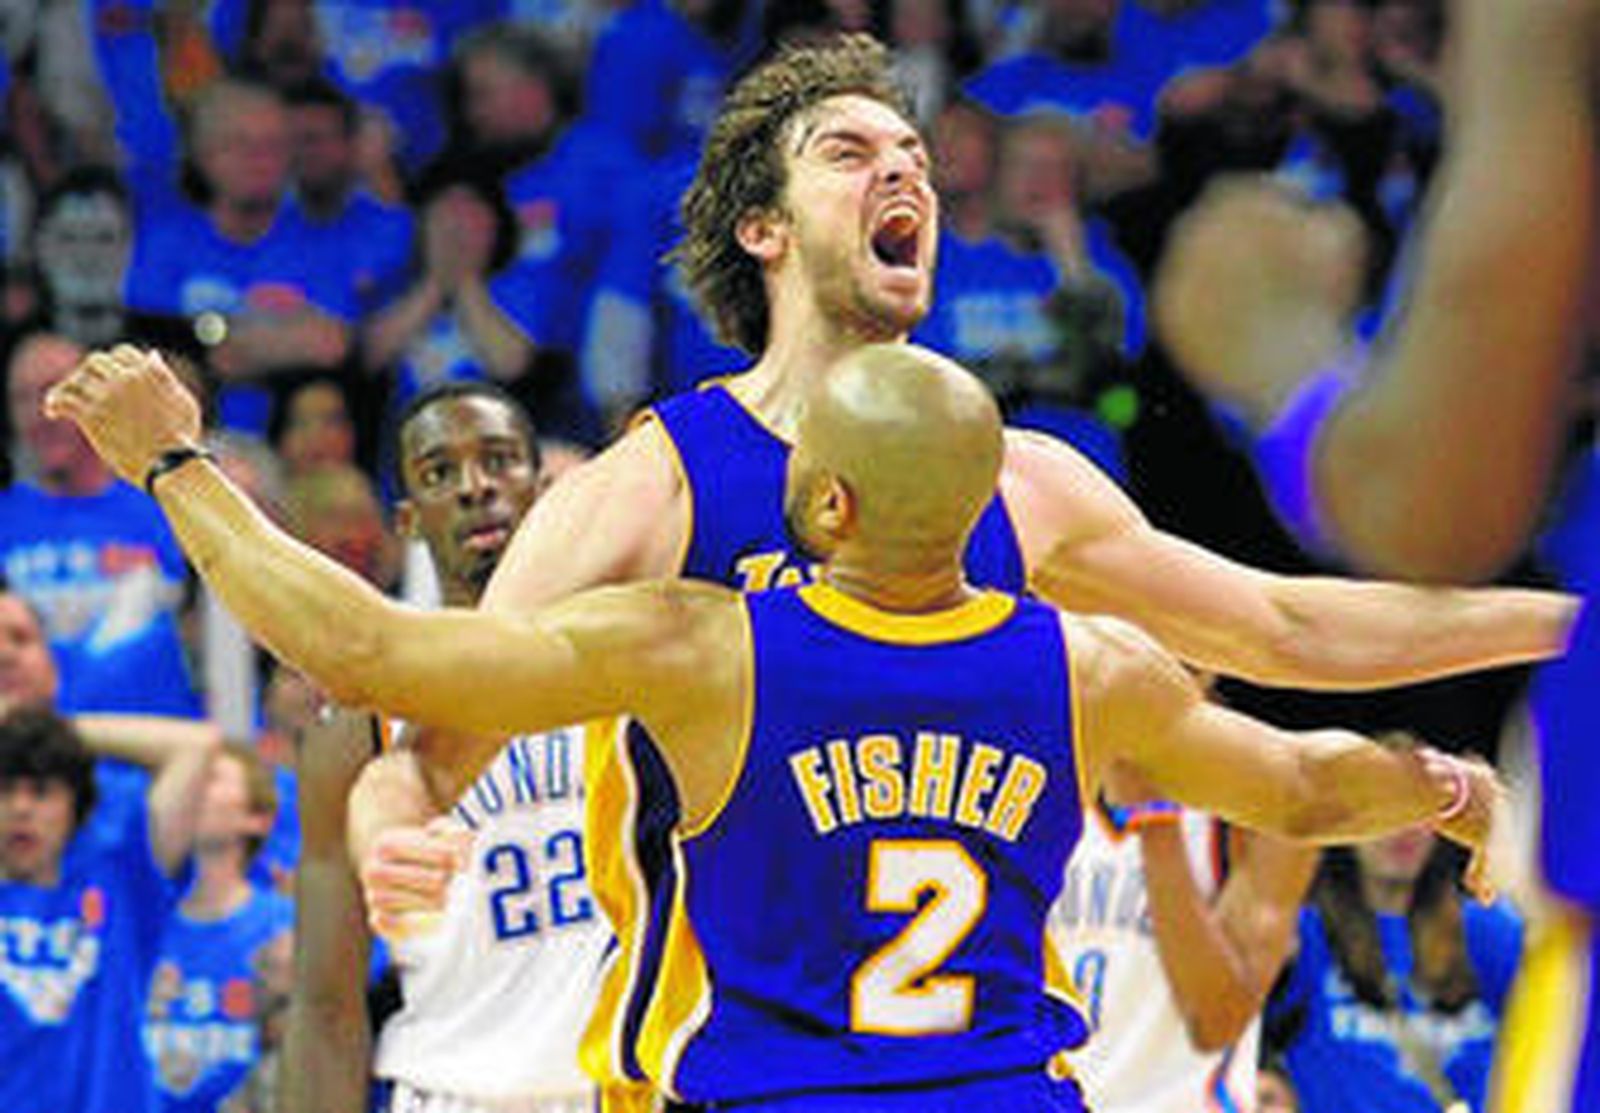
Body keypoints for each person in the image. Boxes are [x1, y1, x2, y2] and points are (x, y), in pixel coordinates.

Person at [338, 33, 1574, 1105]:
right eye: (848, 153)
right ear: (762, 229)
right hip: (737, 1077)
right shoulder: (658, 483)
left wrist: (1565, 622)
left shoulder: (1016, 481)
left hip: (977, 1071)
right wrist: (390, 828)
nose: (903, 172)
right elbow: (434, 741)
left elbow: (1282, 628)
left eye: (915, 157)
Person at [46, 338, 1510, 1112]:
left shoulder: (706, 648)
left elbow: (366, 650)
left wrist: (174, 464)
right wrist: (1446, 788)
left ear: (825, 500)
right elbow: (1306, 786)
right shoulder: (1088, 666)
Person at [282, 380, 612, 1113]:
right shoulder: (363, 718)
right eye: (439, 473)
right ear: (407, 519)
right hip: (454, 1090)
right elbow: (325, 1003)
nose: (474, 487)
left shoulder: (627, 661)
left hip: (624, 1087)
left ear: (543, 489)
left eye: (499, 460)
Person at [0, 700, 216, 1113]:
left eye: (42, 792)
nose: (21, 808)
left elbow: (195, 745)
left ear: (75, 809)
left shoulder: (123, 885)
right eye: (5, 790)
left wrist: (54, 730)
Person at [1265, 827, 1522, 1112]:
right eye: (1383, 813)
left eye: (1420, 813)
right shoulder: (1303, 935)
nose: (1404, 830)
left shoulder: (1490, 932)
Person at [144, 741, 293, 1113]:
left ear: (258, 818)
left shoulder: (287, 928)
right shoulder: (136, 918)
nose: (192, 788)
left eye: (211, 778)